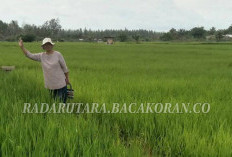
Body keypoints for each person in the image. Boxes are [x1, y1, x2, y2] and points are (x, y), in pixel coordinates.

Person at [18, 37, 70, 103]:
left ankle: (63, 112)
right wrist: (22, 47)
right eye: (45, 45)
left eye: (49, 44)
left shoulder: (58, 54)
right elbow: (29, 55)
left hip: (60, 83)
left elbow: (64, 68)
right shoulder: (41, 56)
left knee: (62, 102)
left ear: (52, 45)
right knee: (54, 102)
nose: (47, 46)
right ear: (43, 47)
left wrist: (67, 78)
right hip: (50, 84)